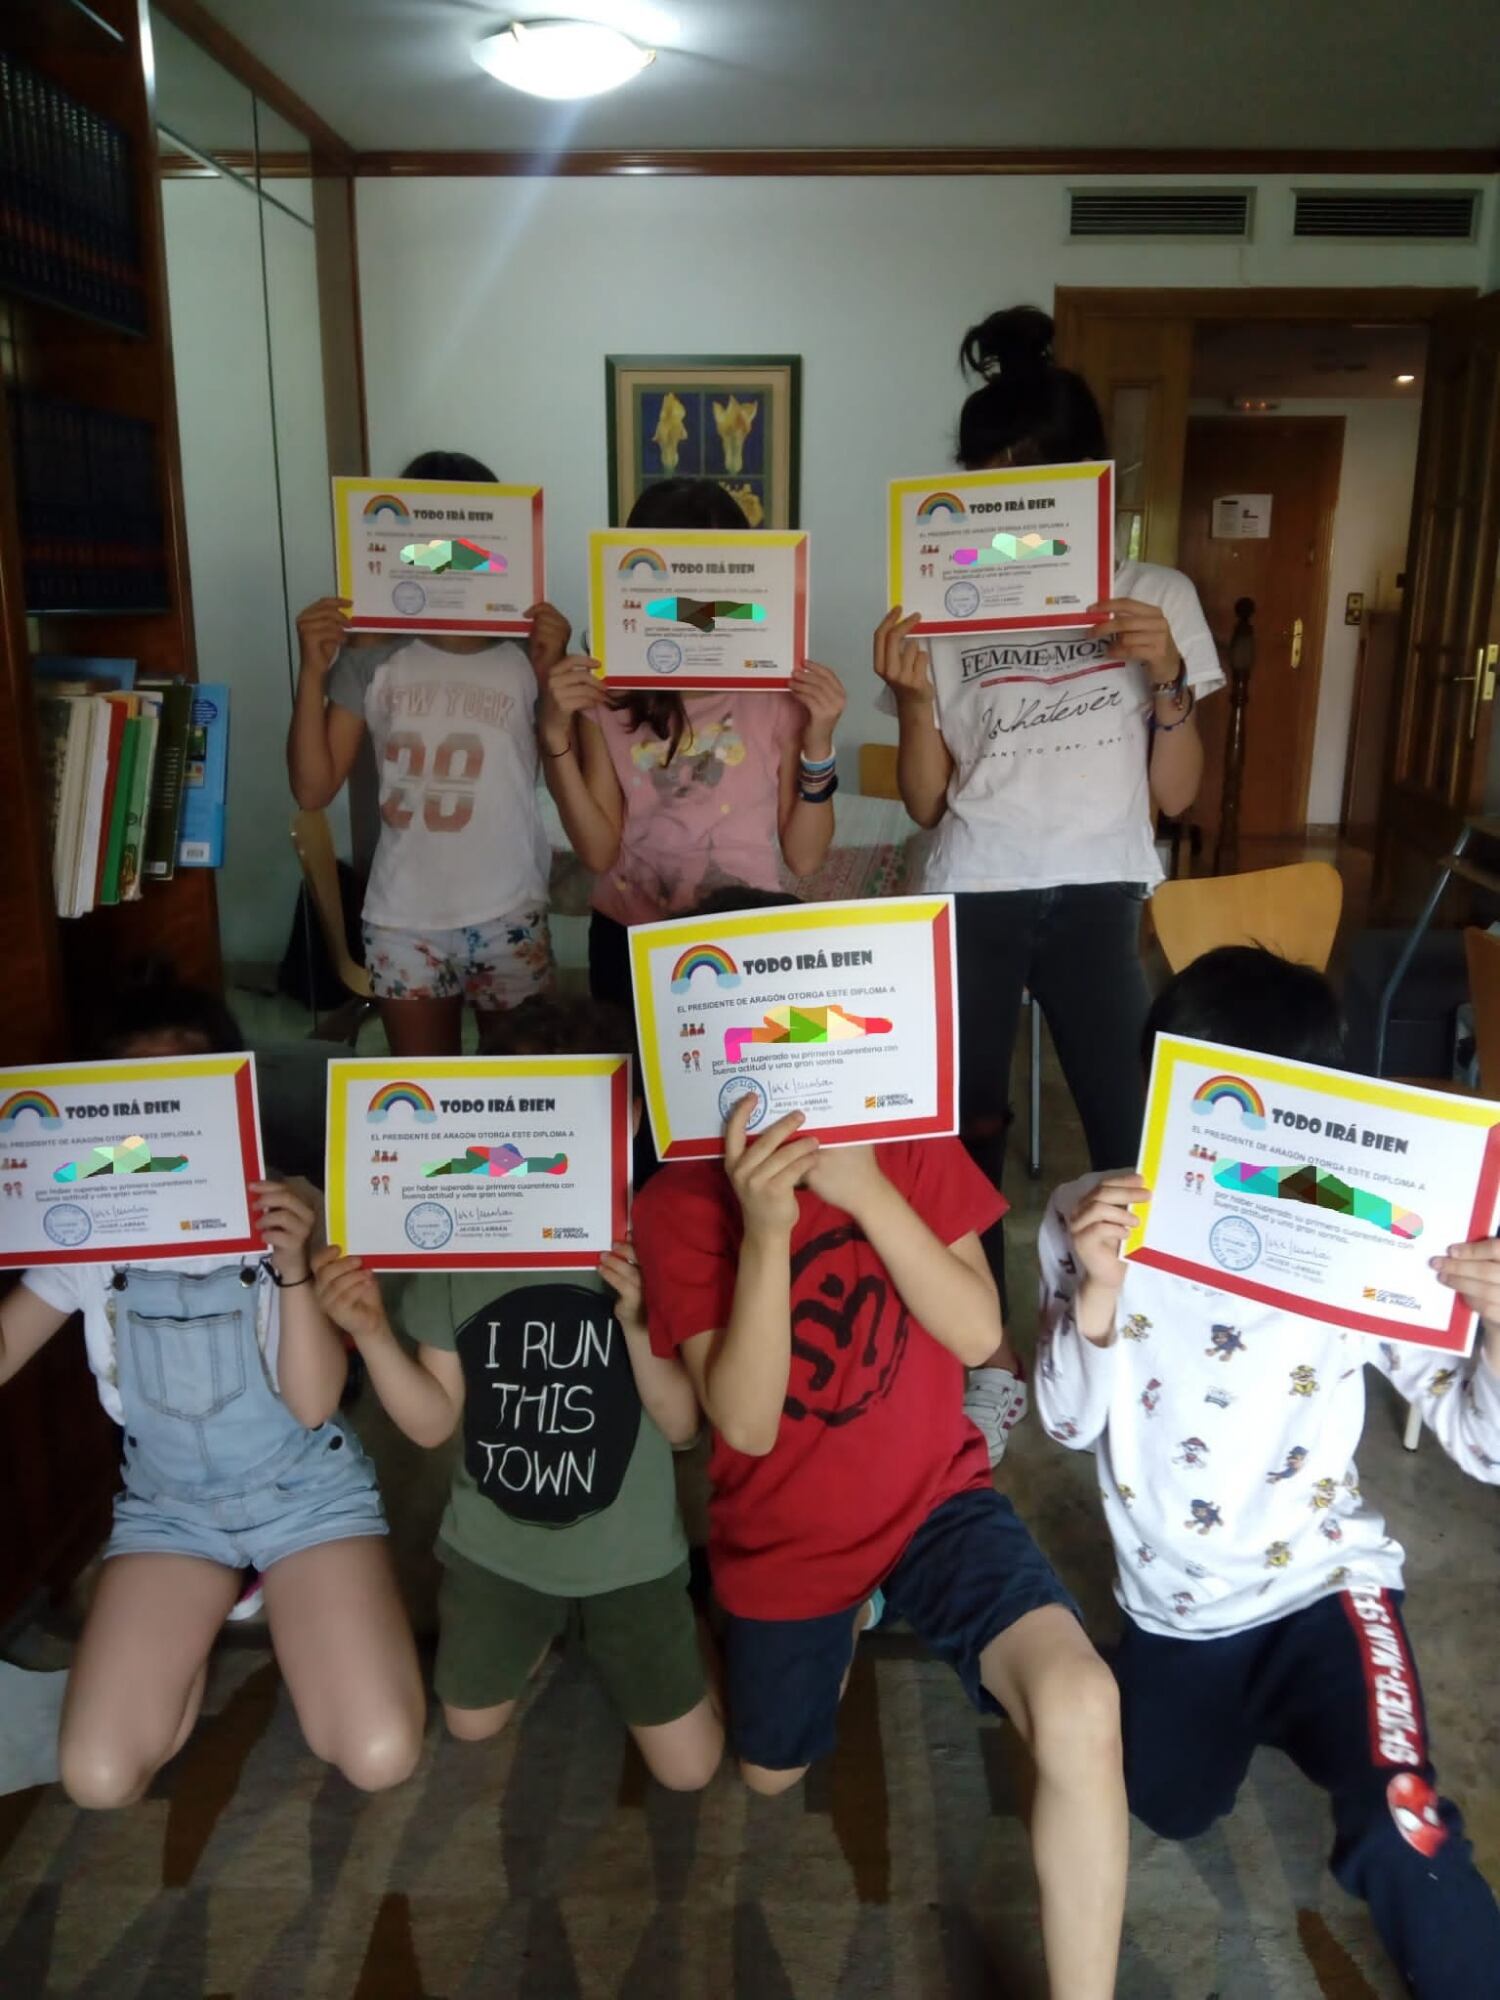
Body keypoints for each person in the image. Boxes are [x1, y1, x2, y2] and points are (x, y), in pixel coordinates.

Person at [632, 919, 1128, 1999]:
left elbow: (978, 1333)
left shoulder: (903, 1142)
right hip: (787, 1534)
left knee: (1083, 1699)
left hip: (934, 1500)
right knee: (770, 1774)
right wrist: (767, 1231)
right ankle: (814, 1609)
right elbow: (743, 1424)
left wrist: (865, 1190)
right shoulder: (675, 1202)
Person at [1034, 945, 1500, 1997]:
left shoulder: (1360, 1233)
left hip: (1325, 1586)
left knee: (1404, 1823)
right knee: (1167, 1804)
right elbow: (1062, 1421)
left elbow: (1483, 1444)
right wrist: (1097, 1294)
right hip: (1174, 1606)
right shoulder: (1084, 1214)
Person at [874, 304, 1223, 1462]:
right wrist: (915, 699)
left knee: (1130, 1130)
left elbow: (1177, 793)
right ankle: (981, 1355)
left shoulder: (1155, 593)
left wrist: (1165, 677)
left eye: (1038, 482)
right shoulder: (946, 605)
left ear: (1094, 485)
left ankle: (1126, 1335)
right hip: (973, 886)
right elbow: (928, 805)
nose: (1012, 508)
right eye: (990, 483)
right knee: (962, 1137)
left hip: (1099, 890)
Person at [0, 981, 424, 1809]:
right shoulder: (88, 1224)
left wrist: (294, 1266)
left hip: (306, 1495)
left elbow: (313, 1404)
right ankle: (189, 1623)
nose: (157, 1118)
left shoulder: (291, 1205)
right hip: (170, 1509)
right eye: (135, 1096)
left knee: (379, 1754)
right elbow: (10, 1343)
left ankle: (270, 1593)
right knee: (99, 1779)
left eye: (184, 1090)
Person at [310, 995, 723, 1791]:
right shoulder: (461, 1246)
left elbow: (681, 1428)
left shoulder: (653, 1241)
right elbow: (432, 1423)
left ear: (632, 1117)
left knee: (690, 1772)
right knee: (470, 1723)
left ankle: (678, 1621)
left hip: (632, 1560)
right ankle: (547, 1624)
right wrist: (371, 1332)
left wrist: (638, 1322)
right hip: (497, 1555)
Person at [287, 450, 570, 1057]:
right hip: (403, 916)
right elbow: (312, 789)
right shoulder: (371, 654)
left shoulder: (527, 654)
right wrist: (312, 672)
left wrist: (555, 675)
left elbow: (563, 767)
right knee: (427, 1091)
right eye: (429, 543)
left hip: (508, 907)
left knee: (520, 1083)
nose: (448, 556)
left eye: (468, 543)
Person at [535, 477, 847, 1012]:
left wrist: (820, 742)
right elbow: (598, 851)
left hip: (743, 933)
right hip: (630, 937)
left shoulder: (777, 695)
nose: (698, 605)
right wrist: (553, 734)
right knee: (633, 1069)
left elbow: (805, 855)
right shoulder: (605, 695)